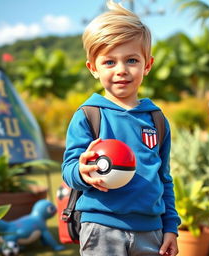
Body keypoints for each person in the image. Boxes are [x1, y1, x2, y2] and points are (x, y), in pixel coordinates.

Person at [62, 1, 181, 255]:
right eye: (109, 62)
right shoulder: (88, 116)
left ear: (147, 65)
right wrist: (82, 171)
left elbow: (164, 179)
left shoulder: (156, 120)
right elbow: (69, 170)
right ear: (93, 68)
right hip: (101, 227)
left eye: (131, 60)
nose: (121, 71)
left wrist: (170, 227)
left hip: (152, 232)